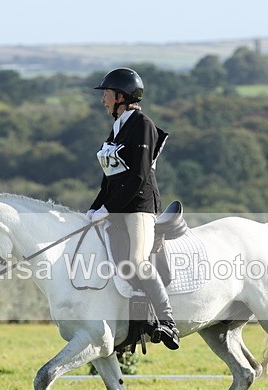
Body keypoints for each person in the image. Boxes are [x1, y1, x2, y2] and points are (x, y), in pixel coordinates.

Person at [87, 67, 179, 350]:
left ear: (120, 96)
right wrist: (93, 209)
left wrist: (108, 209)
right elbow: (109, 179)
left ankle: (168, 321)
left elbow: (137, 176)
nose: (103, 100)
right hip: (117, 207)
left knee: (138, 260)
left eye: (106, 94)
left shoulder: (142, 126)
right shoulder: (116, 129)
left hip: (138, 207)